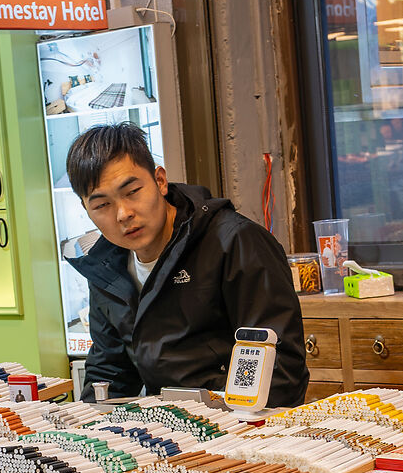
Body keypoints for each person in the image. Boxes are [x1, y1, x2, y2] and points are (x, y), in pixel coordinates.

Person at [62, 122, 308, 406]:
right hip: (169, 423)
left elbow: (278, 368)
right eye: (102, 205)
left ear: (160, 181)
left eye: (132, 191)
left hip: (242, 422)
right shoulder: (106, 267)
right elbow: (110, 372)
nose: (123, 214)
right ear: (86, 210)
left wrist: (224, 424)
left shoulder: (234, 242)